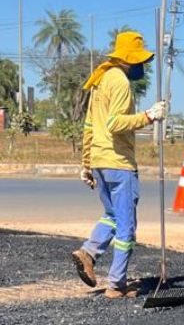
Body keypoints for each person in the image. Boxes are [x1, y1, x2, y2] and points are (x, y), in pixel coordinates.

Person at [71, 31, 167, 299]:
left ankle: (89, 252)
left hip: (100, 161)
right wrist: (149, 116)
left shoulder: (101, 79)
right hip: (119, 162)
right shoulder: (121, 82)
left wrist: (87, 163)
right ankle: (117, 284)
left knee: (112, 215)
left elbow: (90, 126)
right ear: (129, 59)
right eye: (141, 61)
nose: (143, 66)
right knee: (126, 226)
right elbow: (115, 123)